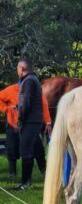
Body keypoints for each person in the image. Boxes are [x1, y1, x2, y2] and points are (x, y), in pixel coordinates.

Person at [0, 83, 51, 180]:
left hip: (30, 125)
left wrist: (47, 121)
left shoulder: (37, 91)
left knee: (38, 148)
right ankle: (12, 173)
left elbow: (44, 105)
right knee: (12, 148)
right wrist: (6, 109)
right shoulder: (11, 89)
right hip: (13, 124)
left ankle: (45, 172)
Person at [15, 59, 48, 190]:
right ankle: (40, 176)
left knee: (26, 151)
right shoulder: (33, 79)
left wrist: (20, 120)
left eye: (17, 68)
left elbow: (26, 102)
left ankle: (25, 183)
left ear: (22, 69)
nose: (17, 71)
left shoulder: (28, 81)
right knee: (36, 148)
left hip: (30, 121)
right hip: (35, 120)